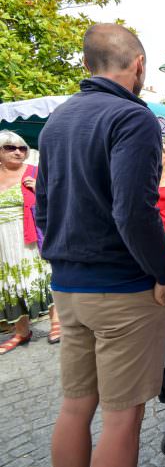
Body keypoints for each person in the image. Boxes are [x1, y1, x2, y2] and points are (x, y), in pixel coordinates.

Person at [37, 23, 165, 467]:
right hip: (120, 287)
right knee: (122, 419)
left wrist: (58, 260)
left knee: (76, 407)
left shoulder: (57, 120)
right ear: (139, 66)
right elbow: (134, 211)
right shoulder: (133, 117)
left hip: (68, 286)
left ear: (85, 64)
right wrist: (162, 271)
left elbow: (43, 206)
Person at [0, 131, 58, 353]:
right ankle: (21, 332)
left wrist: (40, 190)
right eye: (10, 147)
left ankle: (56, 323)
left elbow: (61, 200)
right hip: (3, 242)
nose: (18, 151)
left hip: (31, 237)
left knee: (42, 277)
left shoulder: (36, 172)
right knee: (8, 284)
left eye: (22, 148)